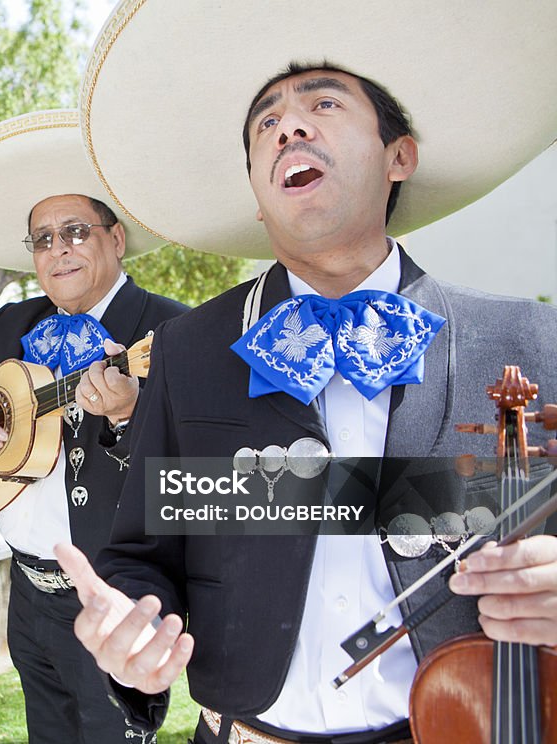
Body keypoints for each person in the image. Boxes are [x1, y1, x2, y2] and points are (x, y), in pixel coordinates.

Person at [54, 4, 557, 744]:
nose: (289, 126)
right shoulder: (188, 349)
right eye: (265, 124)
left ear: (399, 157)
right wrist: (133, 630)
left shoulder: (528, 338)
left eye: (324, 102)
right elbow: (142, 554)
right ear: (259, 201)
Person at [0, 109, 187, 743]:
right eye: (43, 238)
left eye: (76, 231)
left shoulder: (171, 330)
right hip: (25, 592)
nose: (58, 249)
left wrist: (131, 412)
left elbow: (200, 459)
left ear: (116, 237)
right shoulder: (15, 324)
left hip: (113, 597)